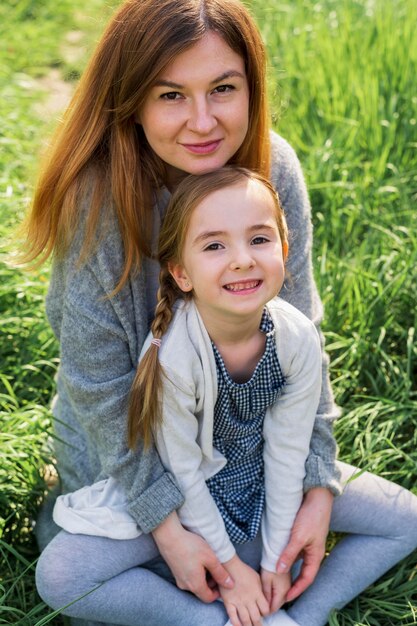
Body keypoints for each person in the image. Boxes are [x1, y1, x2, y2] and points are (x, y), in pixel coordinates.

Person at [23, 0, 417, 624]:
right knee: (72, 573)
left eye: (223, 89)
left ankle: (290, 616)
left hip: (256, 450)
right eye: (171, 95)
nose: (202, 121)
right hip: (130, 460)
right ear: (131, 102)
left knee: (390, 518)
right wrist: (169, 529)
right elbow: (98, 390)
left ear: (251, 88)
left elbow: (300, 340)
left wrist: (317, 480)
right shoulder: (97, 201)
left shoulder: (272, 168)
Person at [50, 166, 322, 626]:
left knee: (404, 520)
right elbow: (181, 469)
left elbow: (290, 449)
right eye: (215, 245)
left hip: (259, 487)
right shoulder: (176, 354)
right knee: (62, 575)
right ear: (180, 272)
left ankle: (297, 616)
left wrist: (278, 557)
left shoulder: (295, 338)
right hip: (187, 498)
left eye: (260, 239)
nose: (241, 260)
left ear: (283, 247)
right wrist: (231, 573)